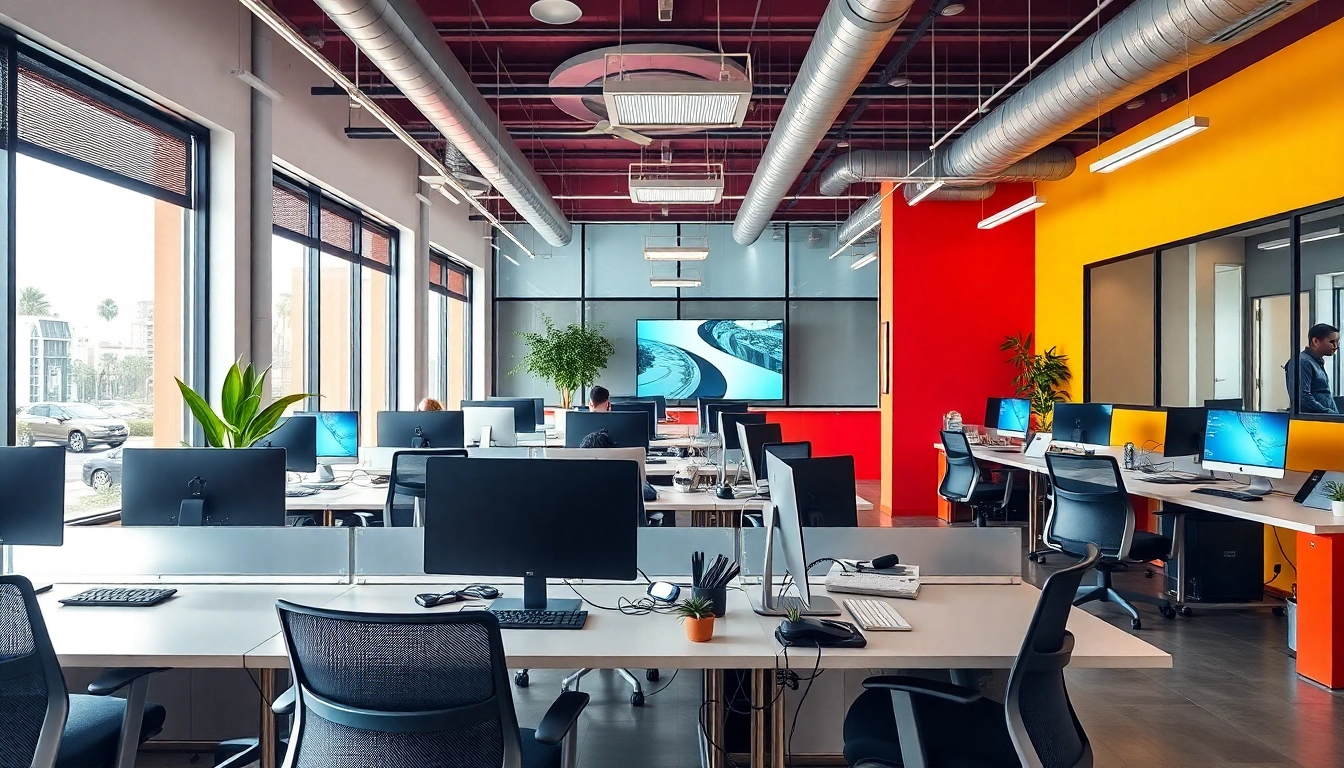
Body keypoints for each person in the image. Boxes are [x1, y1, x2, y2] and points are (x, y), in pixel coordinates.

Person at [1286, 323, 1340, 414]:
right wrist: (1329, 413)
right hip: (1316, 423)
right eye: (1332, 342)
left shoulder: (1315, 362)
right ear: (1315, 341)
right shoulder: (1303, 362)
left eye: (1337, 342)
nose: (1336, 346)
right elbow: (1303, 398)